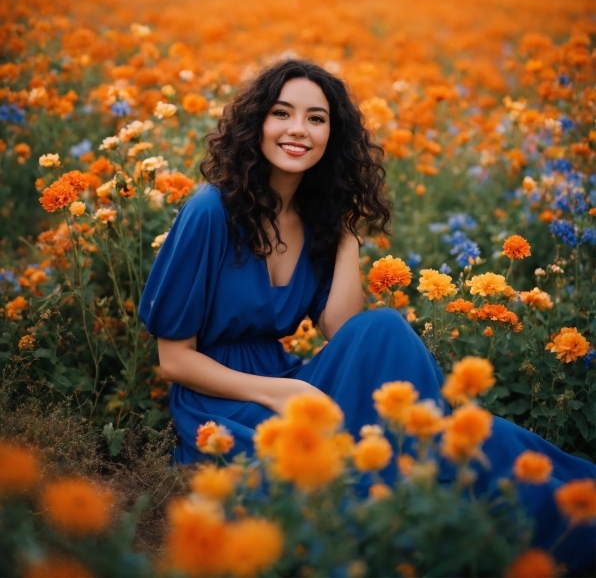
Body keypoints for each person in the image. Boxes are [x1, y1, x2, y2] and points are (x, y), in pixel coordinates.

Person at [140, 58, 595, 572]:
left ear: (333, 135)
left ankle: (446, 454)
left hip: (291, 386)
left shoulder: (313, 220)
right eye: (281, 113)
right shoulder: (210, 211)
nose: (298, 130)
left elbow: (342, 328)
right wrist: (277, 391)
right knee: (346, 485)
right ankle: (447, 480)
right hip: (222, 407)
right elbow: (174, 359)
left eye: (316, 119)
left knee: (383, 329)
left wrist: (345, 232)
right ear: (256, 125)